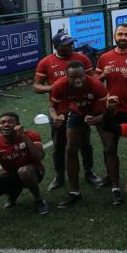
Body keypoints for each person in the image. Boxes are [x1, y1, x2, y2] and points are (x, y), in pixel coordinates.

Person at [34, 32, 100, 191]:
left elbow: (92, 79)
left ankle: (89, 172)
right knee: (59, 145)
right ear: (56, 47)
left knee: (85, 143)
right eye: (67, 45)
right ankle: (59, 176)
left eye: (71, 43)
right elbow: (36, 86)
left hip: (81, 109)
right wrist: (53, 87)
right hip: (58, 111)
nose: (71, 46)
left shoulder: (82, 58)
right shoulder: (46, 62)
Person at [95, 23, 127, 205]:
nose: (123, 37)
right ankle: (114, 185)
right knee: (109, 148)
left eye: (126, 34)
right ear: (114, 36)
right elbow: (95, 83)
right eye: (120, 34)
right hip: (113, 111)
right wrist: (103, 75)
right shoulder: (104, 57)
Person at [48, 61, 109, 208]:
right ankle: (75, 192)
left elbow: (109, 108)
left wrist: (98, 118)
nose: (78, 80)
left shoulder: (96, 84)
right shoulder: (59, 85)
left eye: (81, 76)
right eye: (73, 77)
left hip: (99, 111)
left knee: (109, 146)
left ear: (85, 74)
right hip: (77, 113)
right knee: (70, 149)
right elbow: (52, 107)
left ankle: (114, 185)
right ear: (66, 77)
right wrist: (55, 117)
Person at [0, 112, 48, 214]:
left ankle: (38, 200)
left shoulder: (31, 135)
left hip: (34, 172)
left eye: (10, 122)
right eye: (2, 122)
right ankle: (14, 190)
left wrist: (22, 136)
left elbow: (39, 156)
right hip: (11, 175)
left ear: (18, 125)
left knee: (24, 171)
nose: (6, 124)